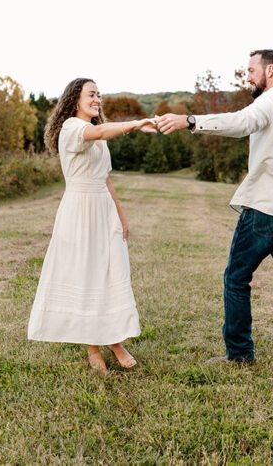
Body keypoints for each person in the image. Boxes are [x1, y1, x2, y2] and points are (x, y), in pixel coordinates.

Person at [157, 49, 273, 389]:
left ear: (270, 71)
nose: (247, 76)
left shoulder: (270, 102)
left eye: (251, 70)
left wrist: (191, 121)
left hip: (265, 211)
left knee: (236, 278)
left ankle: (239, 354)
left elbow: (240, 122)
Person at [27, 77, 157, 375]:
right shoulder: (73, 128)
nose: (97, 99)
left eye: (99, 94)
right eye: (91, 94)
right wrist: (136, 124)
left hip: (103, 209)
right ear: (75, 100)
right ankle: (94, 348)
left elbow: (106, 178)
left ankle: (114, 340)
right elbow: (98, 130)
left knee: (109, 272)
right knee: (87, 275)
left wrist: (121, 217)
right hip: (80, 210)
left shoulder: (96, 137)